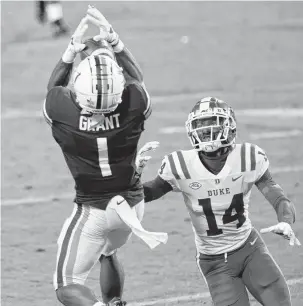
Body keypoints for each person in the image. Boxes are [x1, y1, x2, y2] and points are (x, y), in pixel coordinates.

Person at [43, 6, 167, 306]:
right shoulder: (134, 103)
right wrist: (116, 43)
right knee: (108, 251)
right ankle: (114, 302)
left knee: (66, 285)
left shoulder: (63, 111)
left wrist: (70, 52)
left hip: (94, 210)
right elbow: (137, 79)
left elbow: (54, 87)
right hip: (132, 207)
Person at [141, 96, 301, 306]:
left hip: (250, 248)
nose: (206, 132)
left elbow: (278, 197)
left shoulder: (248, 157)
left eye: (213, 125)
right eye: (201, 126)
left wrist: (286, 220)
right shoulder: (180, 164)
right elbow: (147, 194)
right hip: (215, 261)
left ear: (230, 129)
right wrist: (131, 177)